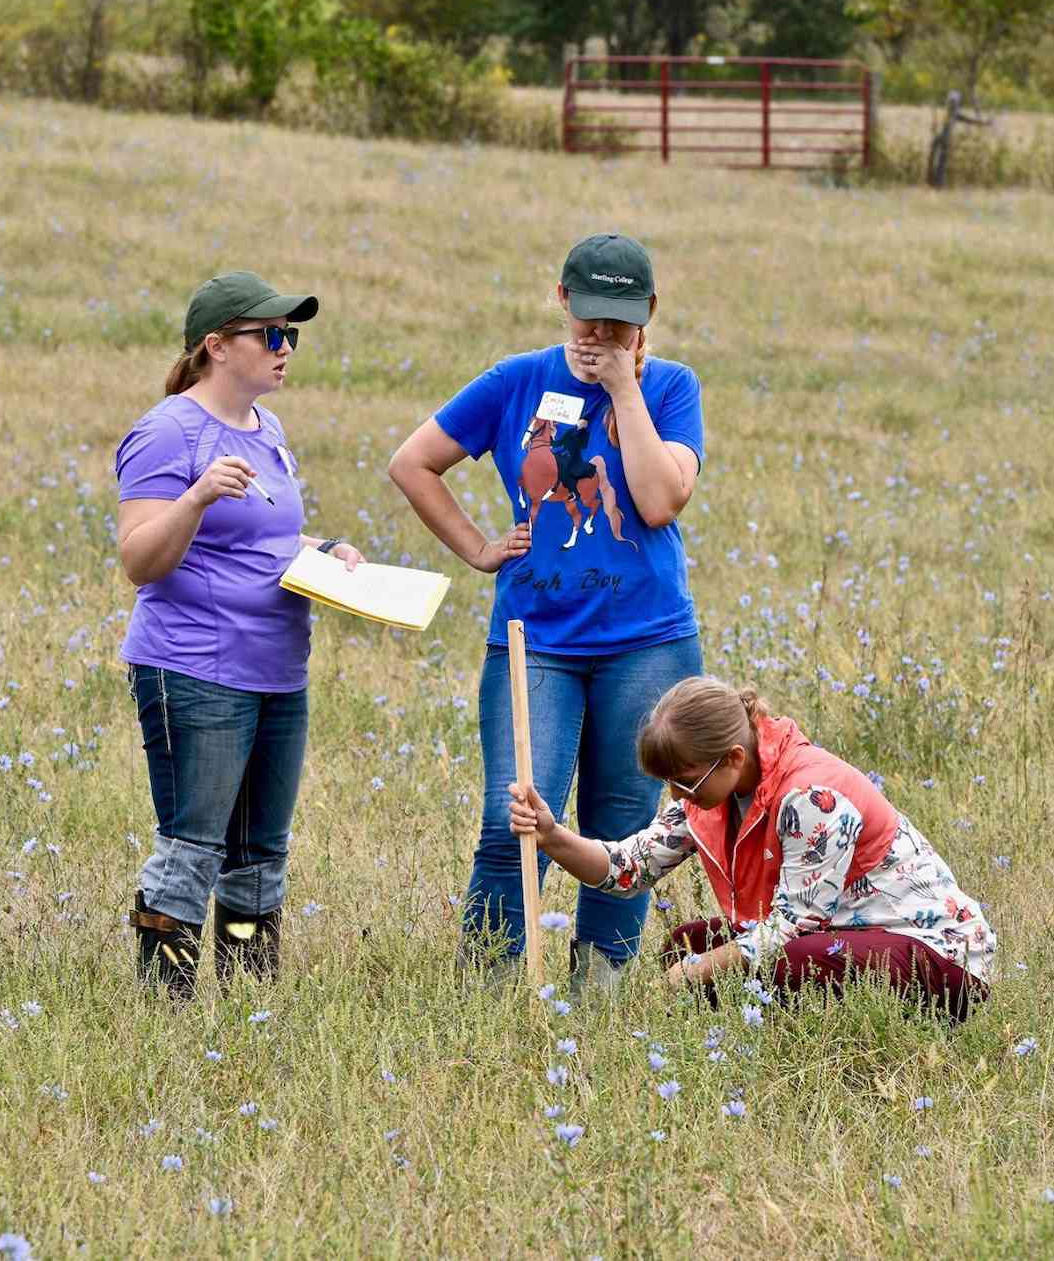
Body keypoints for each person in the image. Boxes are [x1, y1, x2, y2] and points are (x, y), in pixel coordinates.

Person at [388, 234, 704, 988]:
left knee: (626, 825)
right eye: (587, 315)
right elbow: (413, 462)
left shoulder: (671, 389)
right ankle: (487, 989)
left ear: (648, 313)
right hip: (537, 641)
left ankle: (599, 991)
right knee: (515, 819)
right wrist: (475, 547)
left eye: (619, 321)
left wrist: (625, 390)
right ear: (562, 301)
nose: (600, 335)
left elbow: (660, 500)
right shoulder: (515, 381)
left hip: (650, 642)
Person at [115, 270, 362, 1002]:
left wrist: (326, 549)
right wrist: (194, 497)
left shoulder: (269, 430)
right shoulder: (166, 433)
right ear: (217, 346)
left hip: (277, 670)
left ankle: (250, 992)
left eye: (292, 336)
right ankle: (167, 999)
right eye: (273, 335)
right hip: (196, 667)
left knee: (260, 854)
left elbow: (265, 536)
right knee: (195, 843)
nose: (287, 348)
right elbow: (139, 557)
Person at [507, 677, 995, 1018]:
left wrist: (698, 971)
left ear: (733, 758)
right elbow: (629, 869)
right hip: (842, 938)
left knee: (778, 962)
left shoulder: (811, 797)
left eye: (684, 782)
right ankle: (762, 1044)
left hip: (940, 959)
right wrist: (552, 836)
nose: (677, 796)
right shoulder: (709, 789)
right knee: (690, 943)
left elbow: (793, 927)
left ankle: (832, 1055)